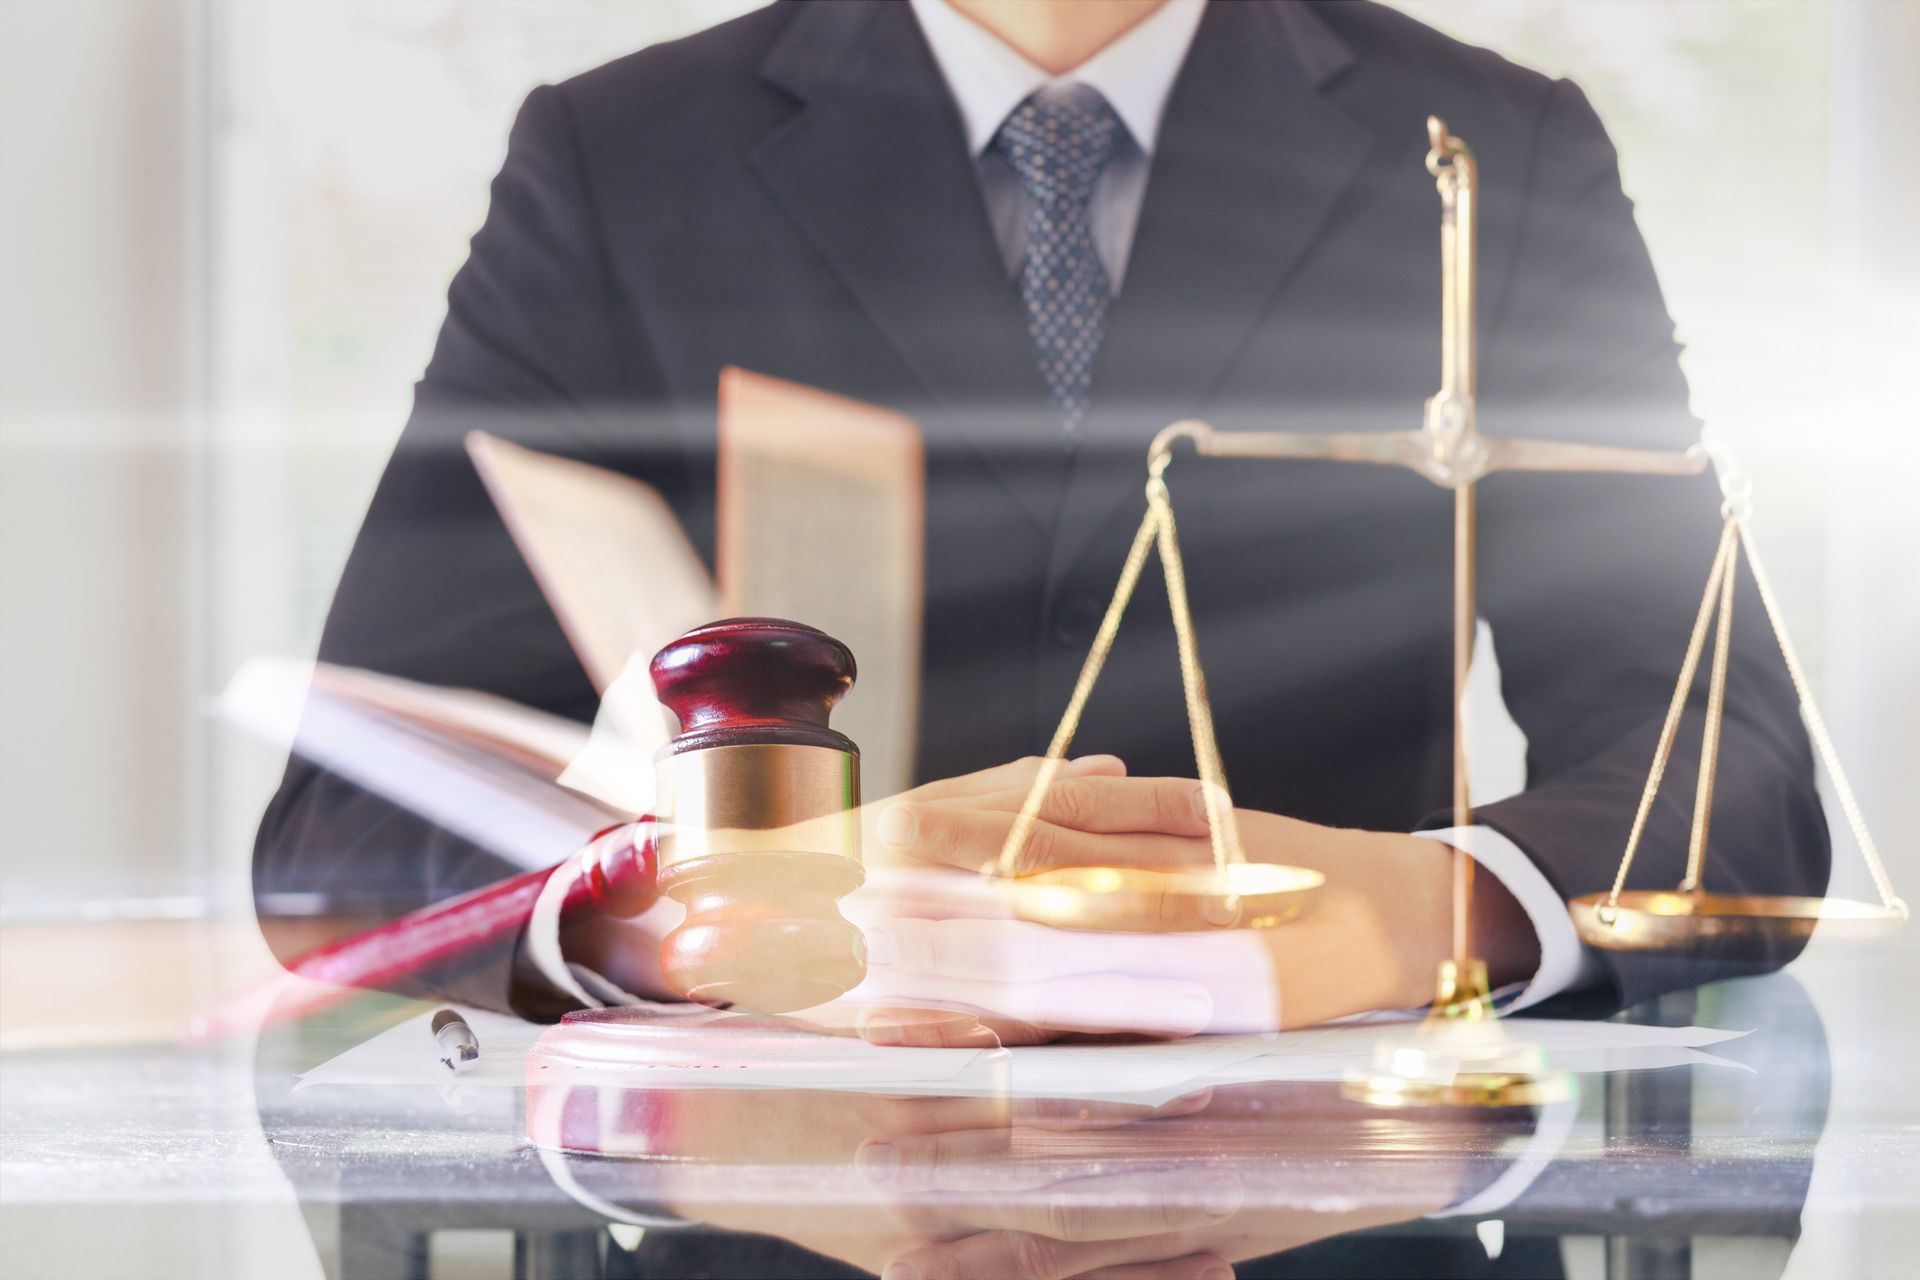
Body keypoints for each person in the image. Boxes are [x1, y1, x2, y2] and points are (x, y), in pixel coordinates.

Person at [255, 0, 1828, 1039]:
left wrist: (1426, 911)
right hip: (777, 1195)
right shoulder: (620, 161)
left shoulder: (1491, 152)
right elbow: (347, 830)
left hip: (1344, 1175)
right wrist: (677, 928)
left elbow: (1730, 772)